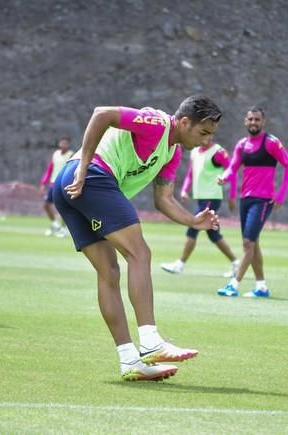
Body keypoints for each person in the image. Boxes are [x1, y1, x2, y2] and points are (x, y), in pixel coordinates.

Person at [52, 95, 222, 381]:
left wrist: (193, 221)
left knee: (109, 272)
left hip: (68, 188)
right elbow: (101, 112)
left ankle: (130, 360)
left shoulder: (173, 153)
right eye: (202, 132)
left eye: (210, 135)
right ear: (183, 122)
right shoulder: (157, 123)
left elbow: (164, 199)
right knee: (139, 254)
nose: (206, 141)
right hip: (90, 175)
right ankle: (151, 339)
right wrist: (83, 165)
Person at [216, 106, 288, 298]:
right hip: (246, 199)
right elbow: (233, 167)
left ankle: (233, 284)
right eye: (250, 119)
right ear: (245, 121)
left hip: (263, 200)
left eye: (257, 119)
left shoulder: (271, 143)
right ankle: (261, 287)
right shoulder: (242, 145)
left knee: (247, 242)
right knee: (253, 244)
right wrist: (223, 178)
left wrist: (281, 195)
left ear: (263, 122)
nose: (253, 122)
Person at [160, 136, 239, 277]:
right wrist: (185, 189)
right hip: (201, 198)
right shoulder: (195, 151)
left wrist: (232, 196)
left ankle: (180, 264)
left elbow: (232, 172)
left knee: (193, 228)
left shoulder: (218, 152)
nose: (205, 136)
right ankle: (236, 263)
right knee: (214, 235)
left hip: (212, 197)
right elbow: (191, 173)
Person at [39, 136, 74, 237]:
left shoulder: (71, 154)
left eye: (66, 143)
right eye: (62, 143)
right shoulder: (56, 154)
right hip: (53, 184)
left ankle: (63, 228)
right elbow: (50, 168)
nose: (64, 145)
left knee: (63, 207)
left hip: (64, 183)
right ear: (59, 143)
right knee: (46, 205)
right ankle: (55, 224)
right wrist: (43, 182)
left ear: (68, 144)